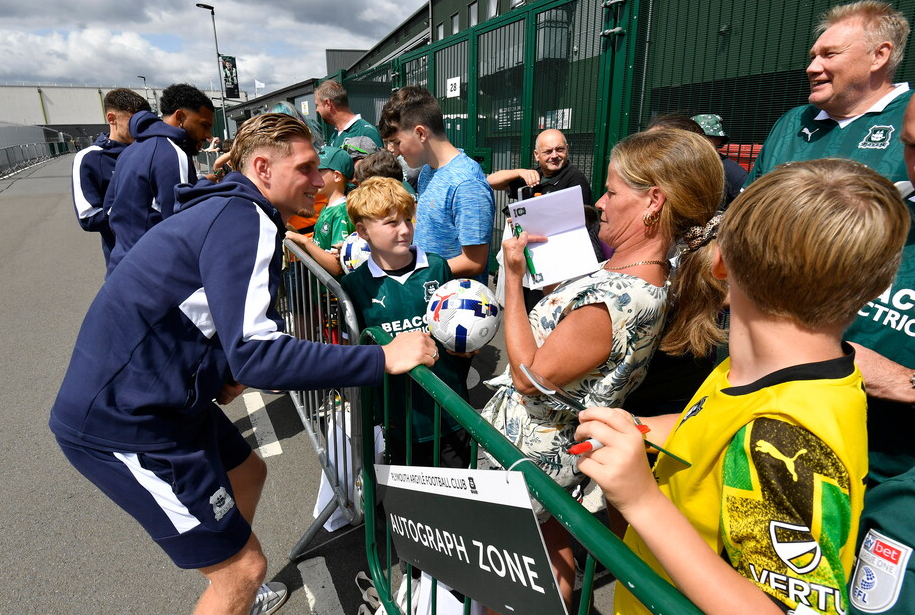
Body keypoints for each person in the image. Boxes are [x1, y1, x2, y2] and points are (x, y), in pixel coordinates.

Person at [50, 113, 437, 615]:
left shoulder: (235, 209)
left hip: (166, 398)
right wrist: (381, 357)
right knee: (244, 570)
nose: (320, 181)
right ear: (262, 167)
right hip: (124, 422)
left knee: (248, 472)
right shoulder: (243, 218)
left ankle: (228, 583)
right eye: (306, 168)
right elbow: (257, 351)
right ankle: (232, 585)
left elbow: (209, 320)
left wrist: (223, 370)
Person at [575, 158, 910, 615]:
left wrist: (642, 501)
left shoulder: (785, 439)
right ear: (875, 287)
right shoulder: (769, 370)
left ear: (720, 263)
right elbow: (720, 431)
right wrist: (641, 428)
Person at [479, 128, 725, 607]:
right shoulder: (650, 274)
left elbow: (529, 379)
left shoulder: (613, 301)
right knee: (547, 549)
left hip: (533, 452)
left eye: (612, 192)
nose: (601, 204)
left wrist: (511, 278)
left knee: (516, 571)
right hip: (555, 454)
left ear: (653, 202)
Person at [341, 176, 471, 467]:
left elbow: (457, 330)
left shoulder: (437, 267)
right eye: (391, 223)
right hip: (398, 420)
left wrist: (467, 346)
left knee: (460, 500)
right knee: (415, 506)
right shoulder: (354, 286)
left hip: (450, 413)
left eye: (407, 220)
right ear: (363, 231)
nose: (404, 230)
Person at [845, 94, 915, 615]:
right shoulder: (889, 208)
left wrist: (904, 381)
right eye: (911, 146)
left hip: (901, 495)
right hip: (837, 458)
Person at [747, 0, 911, 186]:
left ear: (879, 56)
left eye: (829, 54)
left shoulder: (907, 115)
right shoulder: (792, 121)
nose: (812, 68)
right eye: (813, 57)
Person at [378, 85, 495, 284]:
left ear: (421, 133)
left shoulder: (467, 184)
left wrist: (415, 272)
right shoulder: (427, 171)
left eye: (397, 142)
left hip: (454, 305)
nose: (395, 151)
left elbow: (474, 262)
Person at [105, 83, 216, 275]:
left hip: (121, 267)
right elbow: (184, 225)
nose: (208, 136)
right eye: (204, 125)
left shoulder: (130, 150)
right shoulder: (172, 153)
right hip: (153, 275)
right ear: (180, 117)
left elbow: (110, 208)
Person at [71, 88, 150, 266]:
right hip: (124, 264)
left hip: (163, 258)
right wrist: (142, 209)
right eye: (133, 121)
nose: (140, 128)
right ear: (112, 119)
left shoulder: (150, 150)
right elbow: (88, 218)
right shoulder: (89, 158)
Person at [283, 145, 354, 276]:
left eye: (319, 171)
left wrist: (302, 240)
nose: (313, 177)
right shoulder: (327, 208)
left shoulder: (341, 212)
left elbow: (335, 266)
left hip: (332, 294)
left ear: (337, 176)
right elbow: (319, 248)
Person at [486, 128, 592, 205]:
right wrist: (519, 172)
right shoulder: (535, 174)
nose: (554, 156)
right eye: (548, 151)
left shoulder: (575, 180)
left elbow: (578, 222)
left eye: (560, 149)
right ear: (537, 155)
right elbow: (491, 181)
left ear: (567, 149)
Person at [314, 80, 383, 161]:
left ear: (328, 104)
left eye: (318, 105)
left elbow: (379, 169)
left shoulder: (366, 132)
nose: (316, 110)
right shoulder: (335, 136)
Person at [691, 114, 748, 206]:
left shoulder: (731, 171)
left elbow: (748, 204)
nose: (699, 141)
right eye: (695, 136)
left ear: (719, 140)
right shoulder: (678, 164)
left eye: (706, 137)